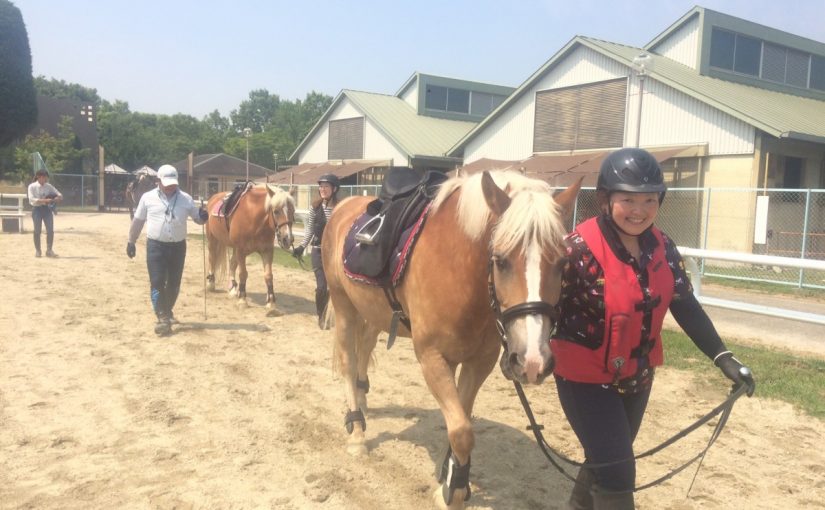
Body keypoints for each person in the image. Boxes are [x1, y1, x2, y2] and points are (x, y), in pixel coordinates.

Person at [551, 148, 755, 510]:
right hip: (584, 379)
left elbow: (684, 304)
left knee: (606, 460)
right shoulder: (575, 251)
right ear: (604, 199)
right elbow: (542, 304)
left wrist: (723, 357)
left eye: (649, 199)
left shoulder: (662, 246)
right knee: (618, 472)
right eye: (627, 199)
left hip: (637, 376)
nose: (639, 209)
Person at [126, 164, 208, 336]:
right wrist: (131, 241)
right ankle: (162, 317)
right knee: (157, 282)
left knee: (174, 284)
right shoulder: (147, 198)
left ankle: (167, 310)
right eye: (167, 183)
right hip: (156, 246)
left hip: (178, 247)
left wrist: (202, 216)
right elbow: (138, 222)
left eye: (173, 183)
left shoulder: (185, 198)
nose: (171, 186)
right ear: (158, 182)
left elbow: (197, 218)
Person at [292, 173, 340, 329]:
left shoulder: (340, 207)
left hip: (335, 253)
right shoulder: (315, 207)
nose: (322, 189)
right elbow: (310, 230)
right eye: (321, 186)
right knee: (321, 287)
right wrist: (301, 246)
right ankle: (321, 315)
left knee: (335, 287)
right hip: (318, 251)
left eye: (326, 186)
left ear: (334, 189)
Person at [27, 169, 63, 258]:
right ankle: (38, 250)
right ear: (38, 177)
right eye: (43, 177)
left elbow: (59, 194)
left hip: (47, 209)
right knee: (37, 230)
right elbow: (31, 199)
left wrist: (58, 197)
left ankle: (49, 250)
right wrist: (44, 200)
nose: (44, 179)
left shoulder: (48, 186)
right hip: (37, 209)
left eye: (45, 177)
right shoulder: (32, 186)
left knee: (50, 230)